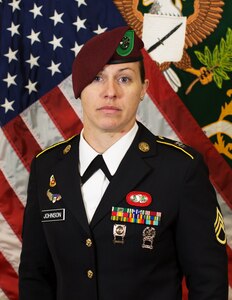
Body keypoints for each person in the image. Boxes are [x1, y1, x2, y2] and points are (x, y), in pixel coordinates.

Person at [19, 26, 228, 299]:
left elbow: (209, 284)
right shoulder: (47, 166)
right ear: (79, 89)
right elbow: (35, 276)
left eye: (125, 79)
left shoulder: (180, 169)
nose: (110, 92)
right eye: (96, 78)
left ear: (144, 89)